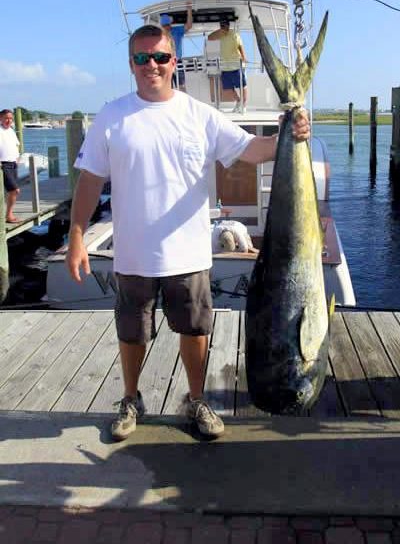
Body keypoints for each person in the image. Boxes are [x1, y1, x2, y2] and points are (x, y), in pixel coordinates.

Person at [66, 23, 310, 441]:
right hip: (133, 254)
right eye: (142, 59)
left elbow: (250, 150)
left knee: (195, 330)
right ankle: (130, 398)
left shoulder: (199, 114)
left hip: (190, 254)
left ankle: (196, 400)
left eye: (160, 57)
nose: (152, 65)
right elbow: (89, 182)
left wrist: (292, 132)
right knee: (132, 331)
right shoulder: (112, 116)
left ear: (173, 62)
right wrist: (75, 238)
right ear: (131, 64)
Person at [208, 19, 248, 113]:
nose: (223, 27)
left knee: (242, 85)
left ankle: (244, 105)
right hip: (225, 66)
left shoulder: (234, 34)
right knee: (227, 88)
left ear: (228, 26)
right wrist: (219, 31)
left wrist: (244, 57)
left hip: (236, 65)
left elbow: (240, 46)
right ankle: (238, 101)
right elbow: (209, 37)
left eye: (224, 26)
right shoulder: (219, 35)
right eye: (221, 26)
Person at [160, 1, 193, 90]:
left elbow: (189, 25)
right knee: (169, 88)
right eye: (164, 25)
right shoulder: (160, 34)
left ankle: (183, 103)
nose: (165, 27)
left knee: (181, 86)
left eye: (166, 25)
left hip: (177, 61)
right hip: (165, 62)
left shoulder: (176, 30)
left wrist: (189, 10)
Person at [0, 109, 21, 223]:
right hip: (4, 164)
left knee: (12, 191)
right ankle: (9, 215)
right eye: (6, 118)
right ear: (1, 118)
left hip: (13, 163)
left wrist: (17, 158)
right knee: (15, 190)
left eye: (11, 118)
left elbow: (16, 145)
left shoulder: (11, 131)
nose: (9, 120)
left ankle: (8, 214)